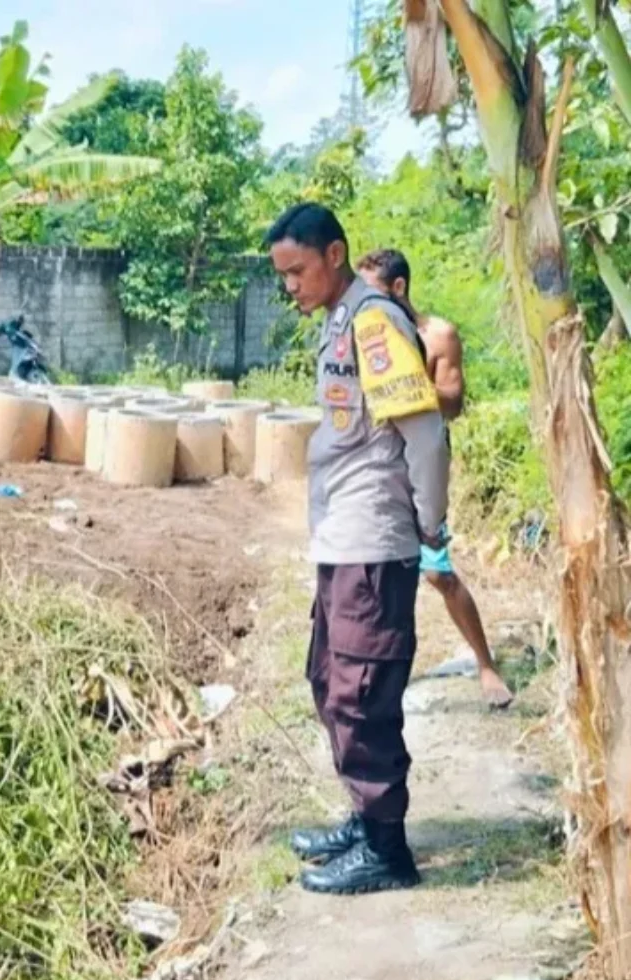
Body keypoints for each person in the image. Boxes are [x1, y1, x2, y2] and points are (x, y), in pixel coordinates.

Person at [266, 202, 451, 895]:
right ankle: (364, 818)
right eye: (283, 275)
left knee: (361, 691)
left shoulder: (374, 323)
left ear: (335, 255)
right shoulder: (342, 319)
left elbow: (425, 434)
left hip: (373, 540)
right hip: (344, 538)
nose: (291, 286)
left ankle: (387, 851)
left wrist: (430, 522)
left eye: (298, 271)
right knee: (330, 678)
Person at [357, 248, 514, 711]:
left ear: (399, 287)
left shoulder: (437, 335)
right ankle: (378, 671)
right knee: (375, 570)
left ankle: (486, 666)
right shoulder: (366, 334)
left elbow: (453, 402)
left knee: (437, 570)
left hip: (423, 460)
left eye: (372, 292)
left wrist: (408, 387)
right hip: (378, 465)